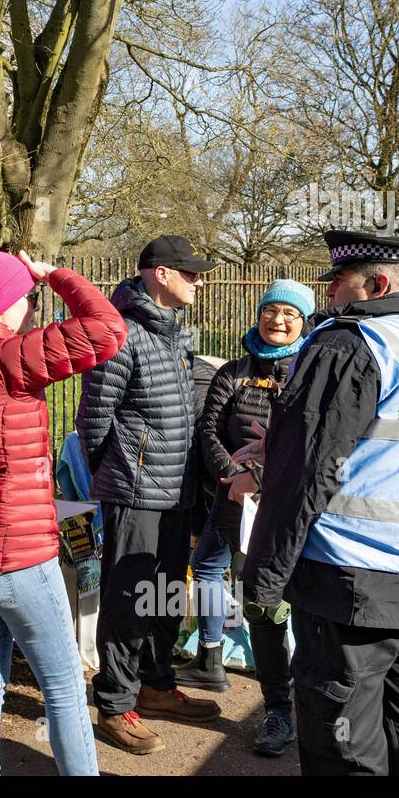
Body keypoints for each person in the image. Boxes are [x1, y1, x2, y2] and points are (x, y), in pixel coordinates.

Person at [241, 230, 399, 776]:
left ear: (377, 284)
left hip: (348, 574)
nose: (329, 298)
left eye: (339, 284)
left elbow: (302, 472)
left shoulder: (350, 342)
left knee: (341, 737)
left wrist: (263, 578)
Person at [0, 249, 128, 775]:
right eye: (30, 300)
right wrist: (54, 274)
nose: (35, 309)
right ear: (9, 304)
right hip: (18, 552)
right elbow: (107, 330)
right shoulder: (8, 357)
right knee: (62, 686)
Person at [76, 234, 221, 756]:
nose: (200, 282)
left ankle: (156, 685)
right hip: (135, 491)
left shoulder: (177, 335)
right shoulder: (120, 333)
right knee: (126, 600)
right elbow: (92, 421)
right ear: (160, 273)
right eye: (191, 273)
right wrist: (119, 472)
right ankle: (115, 703)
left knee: (165, 596)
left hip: (176, 488)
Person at [176, 279, 315, 758]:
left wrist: (258, 475)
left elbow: (310, 442)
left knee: (275, 601)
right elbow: (208, 429)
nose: (278, 321)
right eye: (271, 311)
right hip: (230, 500)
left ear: (304, 321)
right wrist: (233, 476)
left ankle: (290, 709)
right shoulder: (232, 373)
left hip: (284, 508)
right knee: (223, 576)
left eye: (290, 315)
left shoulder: (310, 373)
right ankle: (225, 669)